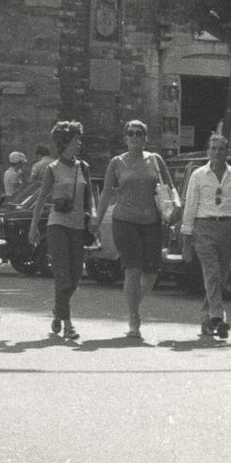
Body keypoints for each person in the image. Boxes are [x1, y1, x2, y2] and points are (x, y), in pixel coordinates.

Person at [93, 119, 173, 341]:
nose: (135, 137)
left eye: (139, 133)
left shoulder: (155, 160)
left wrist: (175, 212)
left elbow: (170, 188)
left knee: (152, 273)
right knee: (133, 269)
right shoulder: (117, 163)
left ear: (146, 138)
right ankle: (133, 319)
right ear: (125, 138)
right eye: (131, 133)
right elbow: (106, 193)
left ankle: (133, 304)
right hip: (125, 220)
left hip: (152, 221)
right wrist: (96, 220)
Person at [28, 121, 96, 341]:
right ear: (65, 142)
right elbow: (41, 199)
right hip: (57, 225)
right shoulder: (53, 168)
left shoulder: (83, 167)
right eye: (76, 140)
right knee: (63, 276)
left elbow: (89, 195)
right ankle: (68, 324)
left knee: (75, 277)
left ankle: (59, 310)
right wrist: (33, 227)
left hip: (77, 226)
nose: (79, 143)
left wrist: (94, 214)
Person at [180, 133, 231, 339]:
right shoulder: (198, 175)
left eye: (221, 149)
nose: (217, 152)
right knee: (212, 272)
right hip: (204, 227)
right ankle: (218, 317)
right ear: (208, 152)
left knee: (221, 275)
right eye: (213, 148)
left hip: (228, 228)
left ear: (227, 151)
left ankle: (207, 320)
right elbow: (190, 205)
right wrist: (186, 237)